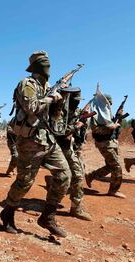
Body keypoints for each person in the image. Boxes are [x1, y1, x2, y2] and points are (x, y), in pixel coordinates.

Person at [0, 51, 72, 238]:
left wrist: (60, 98)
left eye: (48, 62)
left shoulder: (48, 86)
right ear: (35, 66)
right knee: (24, 182)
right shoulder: (27, 84)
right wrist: (51, 98)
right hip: (30, 140)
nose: (47, 66)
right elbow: (31, 108)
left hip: (47, 139)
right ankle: (7, 213)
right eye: (43, 63)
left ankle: (48, 217)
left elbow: (55, 117)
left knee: (65, 175)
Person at [51, 88, 92, 221]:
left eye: (78, 101)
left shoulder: (74, 111)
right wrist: (77, 125)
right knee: (76, 176)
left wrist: (84, 117)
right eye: (75, 100)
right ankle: (74, 209)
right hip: (58, 148)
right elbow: (59, 131)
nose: (77, 103)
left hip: (69, 148)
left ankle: (75, 207)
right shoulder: (58, 111)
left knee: (75, 175)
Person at [85, 95, 126, 198]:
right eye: (108, 104)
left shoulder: (108, 115)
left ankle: (91, 176)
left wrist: (119, 118)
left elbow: (115, 128)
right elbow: (96, 129)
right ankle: (113, 190)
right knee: (117, 167)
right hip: (104, 144)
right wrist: (112, 126)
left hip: (112, 143)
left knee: (110, 167)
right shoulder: (96, 114)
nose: (109, 106)